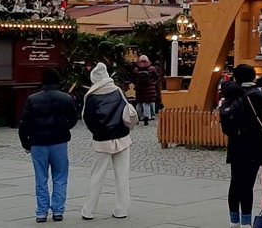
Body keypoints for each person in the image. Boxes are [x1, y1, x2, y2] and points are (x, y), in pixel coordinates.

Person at [222, 64, 262, 228]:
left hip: (236, 145)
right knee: (247, 185)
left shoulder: (232, 92)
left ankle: (234, 220)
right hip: (253, 146)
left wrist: (258, 82)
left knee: (235, 183)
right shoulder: (255, 96)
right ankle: (246, 222)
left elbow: (243, 86)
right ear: (252, 77)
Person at [18, 68, 78, 223]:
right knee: (60, 176)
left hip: (38, 143)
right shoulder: (66, 98)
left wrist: (26, 143)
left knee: (41, 178)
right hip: (59, 141)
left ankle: (41, 212)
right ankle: (58, 210)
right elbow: (73, 119)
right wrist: (64, 127)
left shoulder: (32, 99)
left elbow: (23, 124)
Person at [80, 63, 133, 220]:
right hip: (122, 138)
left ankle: (88, 211)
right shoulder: (118, 91)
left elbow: (87, 119)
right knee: (122, 176)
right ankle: (121, 209)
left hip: (102, 141)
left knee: (97, 176)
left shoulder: (91, 96)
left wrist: (98, 131)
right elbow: (127, 109)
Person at [131, 55, 159, 125]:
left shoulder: (136, 69)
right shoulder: (152, 68)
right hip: (149, 89)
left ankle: (137, 118)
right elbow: (157, 77)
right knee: (147, 104)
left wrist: (136, 84)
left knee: (139, 103)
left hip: (140, 89)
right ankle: (146, 118)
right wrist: (153, 83)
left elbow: (133, 79)